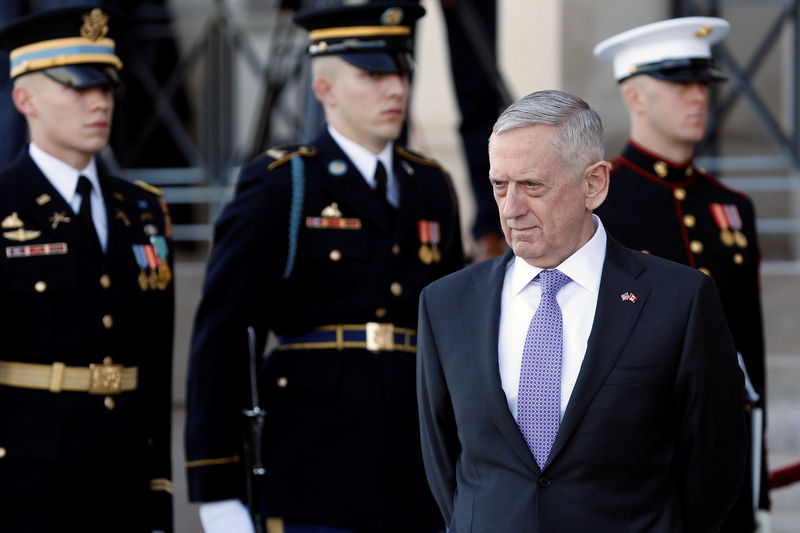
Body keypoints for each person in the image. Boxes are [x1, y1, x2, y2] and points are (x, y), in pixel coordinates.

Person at [184, 3, 463, 533]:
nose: (395, 89)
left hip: (415, 464)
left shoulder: (431, 187)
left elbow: (452, 337)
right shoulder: (284, 183)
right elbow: (224, 335)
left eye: (401, 71)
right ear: (325, 90)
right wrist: (218, 488)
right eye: (373, 74)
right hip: (314, 460)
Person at [416, 89, 747, 532]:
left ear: (594, 184)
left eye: (533, 185)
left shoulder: (679, 300)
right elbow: (445, 466)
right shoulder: (447, 304)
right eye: (500, 186)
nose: (511, 209)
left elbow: (714, 465)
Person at [0, 6, 175, 533]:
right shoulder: (3, 205)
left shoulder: (143, 209)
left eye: (106, 87)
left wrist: (158, 487)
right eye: (77, 88)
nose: (99, 101)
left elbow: (156, 362)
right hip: (26, 484)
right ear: (24, 99)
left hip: (123, 477)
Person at [593, 17, 769, 533]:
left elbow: (748, 342)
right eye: (678, 84)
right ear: (636, 97)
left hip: (722, 445)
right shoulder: (603, 200)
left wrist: (752, 464)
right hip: (637, 448)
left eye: (701, 84)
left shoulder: (731, 206)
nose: (698, 98)